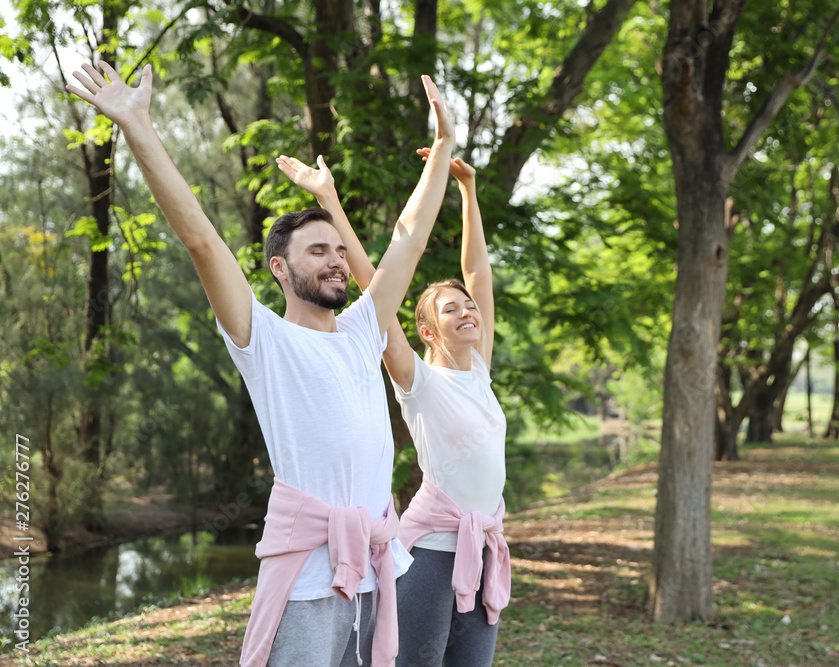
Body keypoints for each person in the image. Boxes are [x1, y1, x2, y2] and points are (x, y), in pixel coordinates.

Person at [67, 61, 457, 667]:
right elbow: (200, 239)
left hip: (376, 573)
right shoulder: (262, 338)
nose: (335, 261)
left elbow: (408, 239)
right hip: (307, 579)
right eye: (317, 251)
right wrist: (137, 126)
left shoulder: (363, 329)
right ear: (280, 268)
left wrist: (443, 152)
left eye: (338, 249)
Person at [278, 148, 509, 667]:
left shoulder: (480, 370)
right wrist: (328, 199)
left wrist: (469, 192)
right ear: (428, 331)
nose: (469, 310)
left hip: (486, 548)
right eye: (453, 309)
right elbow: (370, 282)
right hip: (429, 555)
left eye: (469, 306)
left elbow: (479, 273)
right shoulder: (417, 378)